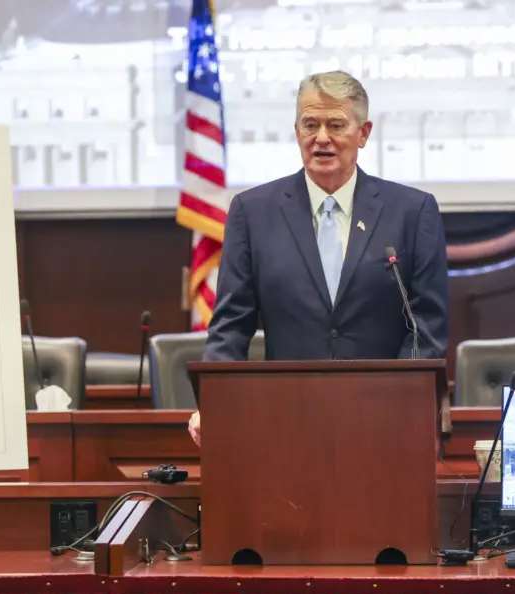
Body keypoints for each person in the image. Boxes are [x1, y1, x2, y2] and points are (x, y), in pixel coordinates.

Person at [188, 70, 449, 445]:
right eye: (310, 124)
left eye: (336, 125)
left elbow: (426, 328)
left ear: (363, 133)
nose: (321, 138)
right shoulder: (253, 213)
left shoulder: (412, 211)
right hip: (284, 424)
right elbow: (230, 327)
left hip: (384, 424)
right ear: (296, 131)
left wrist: (398, 403)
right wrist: (215, 404)